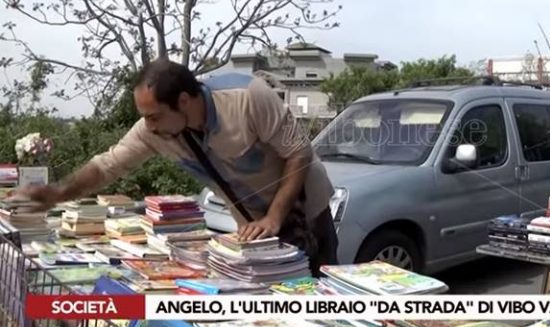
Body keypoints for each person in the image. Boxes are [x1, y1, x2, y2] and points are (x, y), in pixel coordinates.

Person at [18, 59, 338, 274]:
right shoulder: (153, 130)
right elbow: (106, 166)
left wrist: (275, 216)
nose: (149, 126)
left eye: (154, 116)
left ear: (184, 101)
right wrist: (58, 193)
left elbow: (299, 153)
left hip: (306, 210)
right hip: (255, 228)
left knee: (316, 297)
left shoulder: (247, 97)